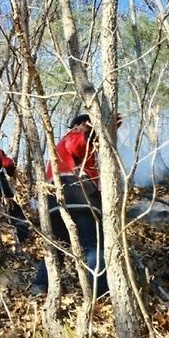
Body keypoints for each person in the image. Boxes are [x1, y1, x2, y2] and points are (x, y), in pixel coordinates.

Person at [31, 113, 122, 297]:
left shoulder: (60, 150)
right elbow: (76, 145)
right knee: (93, 246)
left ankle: (39, 286)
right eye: (87, 125)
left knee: (56, 248)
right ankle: (101, 292)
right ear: (79, 125)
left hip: (56, 204)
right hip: (78, 199)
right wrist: (93, 131)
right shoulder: (73, 137)